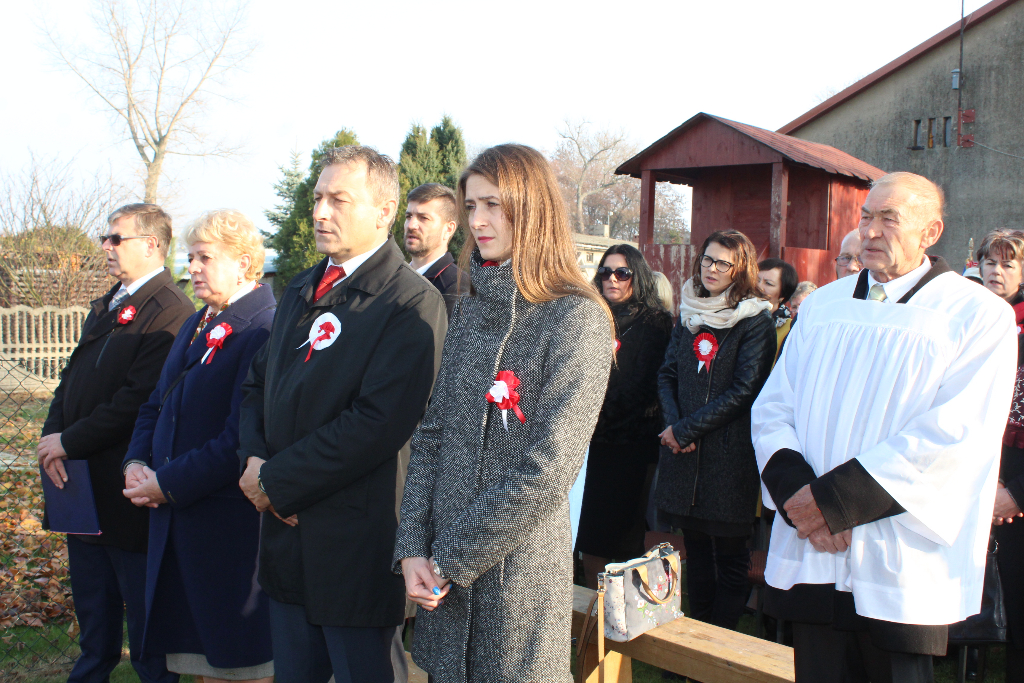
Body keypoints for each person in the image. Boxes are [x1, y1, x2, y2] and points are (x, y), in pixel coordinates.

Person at [752, 172, 1016, 683]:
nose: (871, 231)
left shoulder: (977, 316)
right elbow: (773, 408)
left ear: (930, 232)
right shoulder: (824, 307)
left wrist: (833, 505)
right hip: (816, 546)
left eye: (888, 219)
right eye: (866, 217)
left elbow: (956, 434)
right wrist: (797, 495)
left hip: (897, 550)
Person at [393, 144, 613, 683]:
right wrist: (412, 548)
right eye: (470, 207)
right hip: (443, 580)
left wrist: (446, 558)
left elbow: (549, 468)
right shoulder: (470, 306)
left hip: (519, 581)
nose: (478, 220)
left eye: (493, 204)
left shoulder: (577, 318)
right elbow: (433, 434)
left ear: (532, 206)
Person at [236, 146, 447, 683]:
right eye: (317, 197)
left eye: (338, 199)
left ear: (383, 212)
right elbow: (258, 384)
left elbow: (378, 423)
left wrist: (280, 481)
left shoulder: (410, 303)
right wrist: (255, 462)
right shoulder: (301, 288)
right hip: (287, 539)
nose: (320, 212)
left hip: (355, 545)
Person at [38, 203, 194, 683]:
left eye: (115, 239)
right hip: (82, 485)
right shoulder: (111, 301)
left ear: (150, 245)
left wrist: (70, 440)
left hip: (127, 489)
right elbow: (73, 376)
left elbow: (136, 400)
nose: (105, 247)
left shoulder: (170, 310)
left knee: (145, 626)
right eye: (106, 239)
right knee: (94, 612)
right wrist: (51, 435)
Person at [121, 210, 276, 682]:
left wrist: (166, 483)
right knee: (203, 665)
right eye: (190, 257)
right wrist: (135, 462)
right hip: (181, 523)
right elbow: (156, 402)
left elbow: (237, 438)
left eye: (206, 257)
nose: (193, 268)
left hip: (227, 531)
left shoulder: (261, 328)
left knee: (240, 664)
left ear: (245, 263)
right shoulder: (196, 324)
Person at [655, 229, 776, 630]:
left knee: (730, 559)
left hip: (729, 459)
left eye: (723, 262)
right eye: (707, 259)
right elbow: (668, 373)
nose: (712, 268)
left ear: (740, 268)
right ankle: (695, 643)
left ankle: (719, 644)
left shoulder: (756, 320)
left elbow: (745, 391)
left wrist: (686, 430)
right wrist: (674, 426)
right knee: (698, 557)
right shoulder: (689, 311)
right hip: (684, 458)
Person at [576, 244, 673, 587]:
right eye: (605, 272)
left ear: (637, 276)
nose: (612, 279)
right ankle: (588, 622)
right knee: (589, 539)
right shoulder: (587, 315)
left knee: (621, 540)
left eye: (622, 272)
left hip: (630, 446)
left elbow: (648, 385)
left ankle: (621, 621)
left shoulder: (656, 323)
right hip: (586, 443)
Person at [977, 229, 1024, 682]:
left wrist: (1016, 492)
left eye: (1008, 264)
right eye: (991, 262)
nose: (996, 271)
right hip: (974, 481)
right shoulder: (970, 318)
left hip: (1014, 494)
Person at [404, 182, 470, 317]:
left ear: (449, 229)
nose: (411, 225)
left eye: (424, 218)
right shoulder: (390, 278)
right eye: (408, 216)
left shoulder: (458, 288)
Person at [757, 258, 798, 362]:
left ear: (782, 296)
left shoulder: (790, 330)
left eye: (768, 283)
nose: (758, 286)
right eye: (756, 280)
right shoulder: (732, 318)